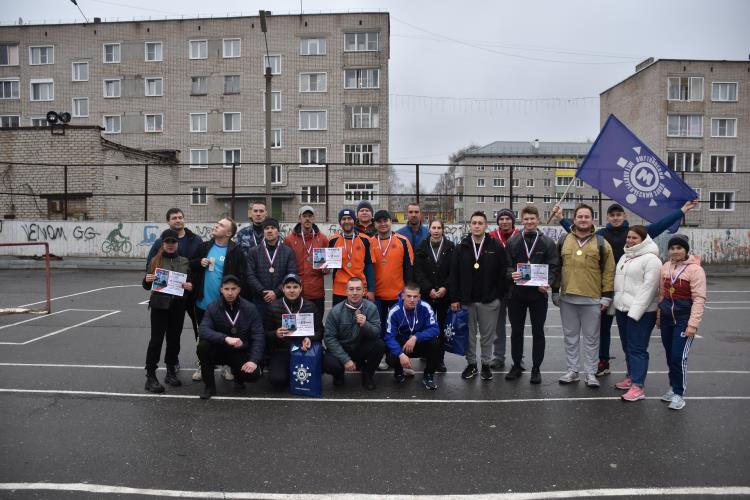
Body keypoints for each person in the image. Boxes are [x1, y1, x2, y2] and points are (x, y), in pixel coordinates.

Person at [552, 199, 699, 377]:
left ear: (624, 216)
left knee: (631, 336)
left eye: (618, 215)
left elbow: (660, 225)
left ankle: (633, 372)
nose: (615, 218)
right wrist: (561, 218)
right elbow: (578, 233)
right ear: (607, 217)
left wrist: (682, 210)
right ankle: (603, 361)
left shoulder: (635, 232)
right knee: (602, 329)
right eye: (612, 215)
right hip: (606, 288)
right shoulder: (600, 235)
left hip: (629, 291)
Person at [551, 204, 615, 387]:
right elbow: (556, 268)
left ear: (592, 219)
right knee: (570, 337)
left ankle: (591, 373)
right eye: (580, 216)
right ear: (574, 219)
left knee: (591, 338)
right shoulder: (563, 240)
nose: (583, 219)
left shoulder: (602, 243)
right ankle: (572, 371)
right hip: (567, 298)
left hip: (592, 298)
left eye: (587, 216)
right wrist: (555, 291)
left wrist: (607, 296)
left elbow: (609, 272)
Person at [449, 211, 509, 381]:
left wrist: (498, 296)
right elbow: (454, 275)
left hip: (489, 301)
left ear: (486, 226)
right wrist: (454, 298)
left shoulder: (496, 246)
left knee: (487, 336)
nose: (477, 226)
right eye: (474, 223)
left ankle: (486, 365)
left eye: (480, 223)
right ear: (470, 225)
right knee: (469, 336)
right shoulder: (461, 247)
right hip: (467, 301)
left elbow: (503, 272)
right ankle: (472, 364)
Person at [505, 206, 559, 384]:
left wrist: (547, 281)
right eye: (526, 219)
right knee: (516, 332)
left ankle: (536, 368)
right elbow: (506, 265)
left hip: (538, 296)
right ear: (521, 220)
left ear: (538, 220)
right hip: (516, 295)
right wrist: (511, 273)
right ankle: (516, 365)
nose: (529, 222)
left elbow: (554, 266)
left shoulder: (547, 242)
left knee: (538, 332)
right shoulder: (513, 241)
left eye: (532, 219)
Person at [609, 225, 662, 402]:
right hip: (623, 310)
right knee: (627, 346)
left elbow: (650, 288)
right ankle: (631, 377)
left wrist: (635, 311)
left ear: (644, 240)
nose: (630, 241)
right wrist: (616, 305)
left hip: (642, 312)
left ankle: (638, 386)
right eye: (628, 237)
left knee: (637, 348)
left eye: (634, 238)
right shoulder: (625, 256)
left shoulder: (652, 259)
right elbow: (619, 284)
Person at [192, 217, 247, 382]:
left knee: (226, 335)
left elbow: (241, 276)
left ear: (228, 233)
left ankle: (226, 366)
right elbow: (190, 266)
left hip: (225, 305)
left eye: (221, 225)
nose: (216, 226)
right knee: (203, 336)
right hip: (202, 303)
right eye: (217, 223)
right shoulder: (204, 247)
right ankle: (202, 365)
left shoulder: (236, 251)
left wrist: (235, 297)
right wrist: (198, 262)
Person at [656, 234, 706, 410]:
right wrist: (659, 316)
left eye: (679, 248)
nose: (675, 251)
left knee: (679, 356)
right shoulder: (665, 267)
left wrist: (693, 325)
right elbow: (662, 294)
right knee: (670, 356)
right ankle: (673, 387)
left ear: (686, 250)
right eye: (672, 248)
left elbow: (699, 298)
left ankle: (679, 394)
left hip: (684, 320)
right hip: (667, 319)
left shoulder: (695, 270)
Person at [145, 208, 203, 359]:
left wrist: (193, 285)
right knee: (166, 335)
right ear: (168, 221)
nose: (178, 220)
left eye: (180, 217)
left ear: (184, 218)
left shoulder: (196, 240)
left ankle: (202, 361)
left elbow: (200, 265)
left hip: (191, 293)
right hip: (167, 297)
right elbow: (150, 267)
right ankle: (171, 362)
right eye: (174, 218)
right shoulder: (160, 242)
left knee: (199, 328)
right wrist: (149, 278)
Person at [196, 275, 265, 399]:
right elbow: (203, 330)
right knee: (203, 347)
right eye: (226, 289)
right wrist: (225, 338)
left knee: (253, 375)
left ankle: (238, 377)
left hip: (239, 350)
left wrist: (254, 360)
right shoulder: (213, 307)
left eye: (233, 289)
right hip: (219, 349)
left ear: (239, 290)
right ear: (221, 290)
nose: (230, 293)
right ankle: (209, 387)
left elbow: (258, 335)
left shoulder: (250, 308)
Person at [141, 229, 193, 393]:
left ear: (177, 243)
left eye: (173, 242)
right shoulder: (155, 260)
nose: (170, 245)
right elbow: (146, 285)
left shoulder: (184, 261)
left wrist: (189, 286)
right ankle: (150, 376)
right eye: (167, 242)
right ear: (162, 244)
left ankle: (171, 371)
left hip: (178, 305)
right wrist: (147, 280)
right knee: (156, 340)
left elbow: (189, 282)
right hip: (159, 305)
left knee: (174, 340)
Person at [263, 273, 324, 389]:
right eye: (288, 287)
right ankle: (287, 372)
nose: (292, 290)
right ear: (283, 289)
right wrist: (275, 334)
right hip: (282, 350)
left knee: (314, 375)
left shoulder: (310, 306)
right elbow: (264, 333)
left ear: (301, 288)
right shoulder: (273, 307)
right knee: (277, 380)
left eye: (295, 287)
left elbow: (320, 331)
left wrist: (310, 338)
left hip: (305, 349)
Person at [323, 277, 385, 390]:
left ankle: (367, 375)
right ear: (346, 291)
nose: (355, 293)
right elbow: (329, 338)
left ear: (363, 291)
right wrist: (345, 359)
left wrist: (365, 324)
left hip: (359, 348)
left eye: (358, 289)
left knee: (379, 345)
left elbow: (377, 333)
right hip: (342, 347)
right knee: (329, 363)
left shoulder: (371, 308)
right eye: (351, 289)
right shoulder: (336, 311)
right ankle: (338, 375)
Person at [413, 218, 454, 372]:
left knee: (441, 328)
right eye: (433, 228)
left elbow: (453, 271)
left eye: (439, 228)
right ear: (429, 229)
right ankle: (427, 355)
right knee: (426, 326)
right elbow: (418, 272)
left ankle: (440, 360)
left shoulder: (451, 247)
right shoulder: (421, 247)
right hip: (427, 295)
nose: (436, 231)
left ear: (443, 230)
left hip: (444, 295)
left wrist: (445, 287)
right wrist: (428, 289)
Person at [384, 283, 441, 390]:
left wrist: (416, 337)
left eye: (415, 297)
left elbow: (435, 329)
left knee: (436, 343)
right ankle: (398, 370)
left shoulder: (425, 307)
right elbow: (389, 337)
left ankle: (428, 375)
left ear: (419, 297)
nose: (412, 300)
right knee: (390, 355)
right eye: (409, 296)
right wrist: (400, 354)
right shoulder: (394, 311)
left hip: (419, 342)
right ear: (402, 296)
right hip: (402, 345)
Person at [246, 218, 297, 320]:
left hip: (281, 299)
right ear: (263, 231)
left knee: (280, 328)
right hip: (260, 300)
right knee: (260, 327)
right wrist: (263, 291)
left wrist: (276, 292)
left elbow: (291, 274)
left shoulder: (288, 252)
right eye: (267, 228)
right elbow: (250, 275)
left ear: (278, 231)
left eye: (273, 228)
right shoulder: (253, 252)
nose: (269, 231)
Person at [283, 206, 329, 318]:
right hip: (296, 292)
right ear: (299, 218)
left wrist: (327, 269)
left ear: (314, 219)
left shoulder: (323, 239)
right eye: (304, 216)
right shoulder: (289, 239)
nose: (307, 219)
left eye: (310, 216)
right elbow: (285, 264)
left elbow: (327, 265)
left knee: (317, 323)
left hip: (316, 292)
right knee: (297, 324)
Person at [488, 208, 520, 371]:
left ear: (513, 221)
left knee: (517, 326)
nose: (505, 221)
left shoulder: (520, 236)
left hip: (516, 288)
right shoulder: (491, 237)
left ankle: (518, 358)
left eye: (508, 218)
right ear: (498, 221)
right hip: (497, 288)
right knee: (498, 325)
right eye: (501, 219)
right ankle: (498, 356)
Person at [329, 208, 375, 305]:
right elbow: (328, 264)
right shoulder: (333, 240)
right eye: (344, 219)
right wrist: (325, 269)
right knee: (339, 315)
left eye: (349, 218)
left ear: (354, 220)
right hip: (340, 290)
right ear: (340, 222)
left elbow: (369, 265)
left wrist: (371, 290)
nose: (347, 221)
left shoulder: (365, 240)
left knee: (360, 315)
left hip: (359, 289)